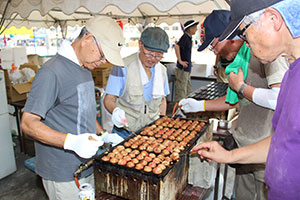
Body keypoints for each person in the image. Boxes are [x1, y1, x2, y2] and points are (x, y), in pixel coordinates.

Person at [193, 0, 300, 199]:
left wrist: (241, 88)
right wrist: (229, 156)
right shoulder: (292, 74)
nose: (245, 42)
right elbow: (282, 142)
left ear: (273, 19)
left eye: (244, 32)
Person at [21, 16, 124, 200]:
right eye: (102, 55)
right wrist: (71, 142)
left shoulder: (84, 68)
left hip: (86, 165)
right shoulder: (51, 72)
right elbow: (28, 123)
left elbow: (82, 111)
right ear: (87, 39)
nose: (103, 61)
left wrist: (103, 135)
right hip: (62, 173)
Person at [104, 27, 170, 139]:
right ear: (140, 45)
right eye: (149, 53)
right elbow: (109, 99)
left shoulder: (162, 71)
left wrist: (161, 123)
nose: (153, 59)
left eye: (158, 55)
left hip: (151, 133)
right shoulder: (123, 67)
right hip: (125, 132)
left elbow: (162, 100)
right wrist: (115, 111)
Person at [174, 20, 199, 101]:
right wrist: (180, 61)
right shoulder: (185, 37)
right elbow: (176, 47)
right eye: (195, 27)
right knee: (181, 91)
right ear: (190, 28)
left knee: (187, 90)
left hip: (187, 68)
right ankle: (178, 110)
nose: (196, 29)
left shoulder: (188, 38)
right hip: (183, 68)